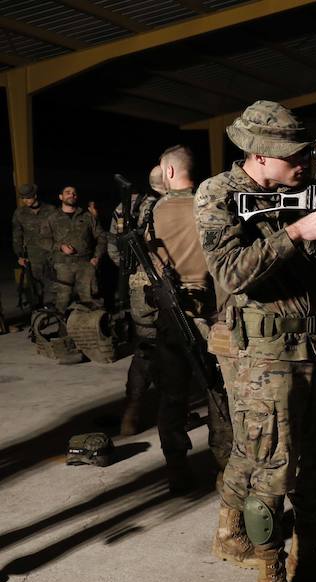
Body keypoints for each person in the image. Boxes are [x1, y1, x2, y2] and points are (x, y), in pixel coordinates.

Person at [195, 100, 316, 582]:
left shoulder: (297, 191)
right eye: (294, 155)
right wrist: (293, 233)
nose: (303, 162)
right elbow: (230, 271)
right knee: (271, 463)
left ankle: (308, 555)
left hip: (315, 346)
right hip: (261, 356)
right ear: (260, 154)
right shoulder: (217, 195)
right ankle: (271, 573)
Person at [141, 146, 234, 493]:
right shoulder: (214, 205)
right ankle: (227, 471)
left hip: (174, 318)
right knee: (219, 393)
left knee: (173, 398)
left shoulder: (155, 213)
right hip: (217, 317)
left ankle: (177, 470)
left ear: (167, 172)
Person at [110, 166, 167, 436]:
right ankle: (171, 413)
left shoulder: (122, 210)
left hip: (137, 288)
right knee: (174, 348)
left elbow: (114, 247)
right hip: (164, 285)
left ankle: (131, 413)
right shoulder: (162, 205)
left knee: (144, 348)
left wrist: (131, 271)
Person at [49, 185, 107, 311]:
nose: (72, 195)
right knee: (62, 301)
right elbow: (42, 239)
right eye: (68, 192)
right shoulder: (52, 218)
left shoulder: (87, 216)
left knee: (90, 299)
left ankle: (91, 328)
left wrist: (97, 257)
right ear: (61, 197)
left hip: (85, 264)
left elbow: (101, 236)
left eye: (74, 193)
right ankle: (63, 328)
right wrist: (60, 246)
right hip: (62, 266)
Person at [12, 183, 58, 309]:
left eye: (28, 197)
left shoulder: (51, 210)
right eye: (23, 198)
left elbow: (59, 231)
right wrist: (20, 255)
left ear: (35, 195)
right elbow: (17, 235)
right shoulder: (20, 213)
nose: (26, 201)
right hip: (32, 256)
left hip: (51, 254)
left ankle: (59, 311)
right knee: (35, 288)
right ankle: (37, 314)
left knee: (57, 285)